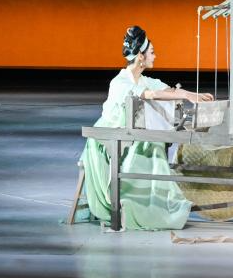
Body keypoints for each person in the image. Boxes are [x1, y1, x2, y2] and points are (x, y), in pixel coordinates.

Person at [80, 26, 213, 230]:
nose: (155, 56)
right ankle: (132, 204)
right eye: (152, 52)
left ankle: (153, 202)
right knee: (150, 148)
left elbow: (166, 90)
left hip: (128, 137)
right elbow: (150, 94)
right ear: (140, 56)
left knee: (153, 147)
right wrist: (187, 96)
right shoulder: (120, 82)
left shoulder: (144, 80)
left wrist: (191, 94)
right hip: (105, 141)